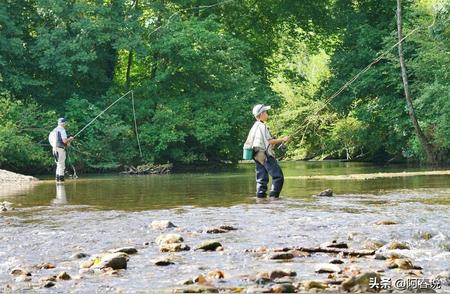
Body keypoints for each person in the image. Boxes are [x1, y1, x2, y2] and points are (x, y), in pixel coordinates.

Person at [244, 104, 289, 198]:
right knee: (278, 176)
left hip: (255, 154)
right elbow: (270, 141)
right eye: (265, 112)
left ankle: (261, 200)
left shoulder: (254, 126)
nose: (267, 114)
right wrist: (283, 139)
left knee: (262, 179)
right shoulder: (262, 126)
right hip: (263, 154)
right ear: (261, 114)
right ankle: (273, 198)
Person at [48, 118, 74, 183]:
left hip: (54, 149)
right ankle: (61, 181)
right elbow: (64, 141)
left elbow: (51, 140)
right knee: (61, 165)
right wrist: (70, 139)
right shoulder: (62, 130)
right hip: (60, 149)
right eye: (65, 123)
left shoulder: (53, 130)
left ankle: (57, 181)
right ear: (64, 123)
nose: (65, 124)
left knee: (58, 164)